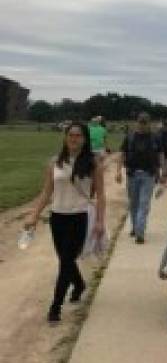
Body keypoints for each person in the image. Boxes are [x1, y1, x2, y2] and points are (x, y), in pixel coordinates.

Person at [26, 122, 106, 324]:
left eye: (78, 135)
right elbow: (46, 192)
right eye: (71, 135)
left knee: (65, 261)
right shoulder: (55, 162)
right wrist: (34, 214)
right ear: (65, 137)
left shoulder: (93, 163)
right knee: (65, 258)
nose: (74, 139)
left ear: (85, 139)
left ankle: (55, 306)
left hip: (79, 217)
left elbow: (101, 195)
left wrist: (100, 221)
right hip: (57, 217)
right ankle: (78, 284)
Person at [116, 112, 160, 244]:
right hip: (132, 174)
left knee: (144, 203)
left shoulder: (154, 138)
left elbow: (159, 155)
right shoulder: (129, 137)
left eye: (145, 122)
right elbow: (122, 154)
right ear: (137, 122)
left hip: (148, 175)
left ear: (149, 123)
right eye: (141, 122)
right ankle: (135, 227)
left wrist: (162, 172)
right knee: (134, 203)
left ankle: (140, 232)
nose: (142, 124)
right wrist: (118, 171)